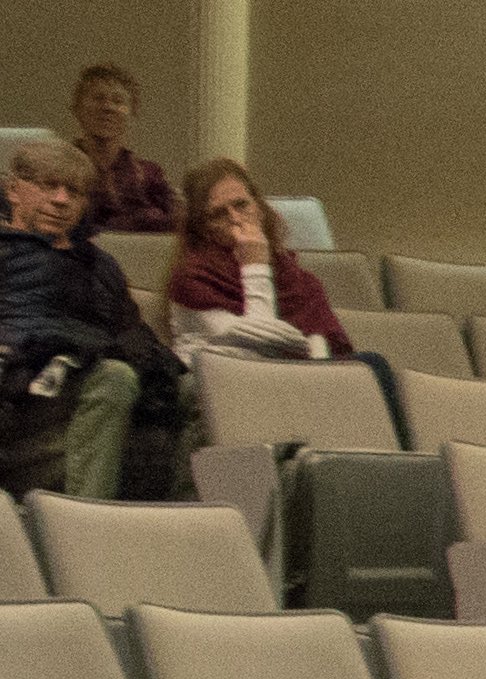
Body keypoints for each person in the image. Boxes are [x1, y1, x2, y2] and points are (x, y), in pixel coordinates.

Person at [0, 138, 185, 504]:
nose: (61, 200)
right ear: (13, 190)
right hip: (19, 398)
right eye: (48, 185)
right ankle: (84, 524)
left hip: (82, 385)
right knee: (114, 378)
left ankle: (187, 524)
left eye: (74, 192)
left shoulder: (102, 266)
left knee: (193, 390)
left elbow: (133, 336)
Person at [161, 161, 351, 367]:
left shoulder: (299, 280)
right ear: (202, 228)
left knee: (368, 363)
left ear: (259, 207)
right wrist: (255, 264)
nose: (235, 218)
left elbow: (321, 352)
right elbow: (259, 351)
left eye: (241, 205)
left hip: (296, 375)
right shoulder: (193, 279)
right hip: (228, 377)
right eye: (218, 214)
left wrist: (311, 357)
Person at [54, 68, 176, 243]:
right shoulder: (56, 169)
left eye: (118, 101)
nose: (108, 108)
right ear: (77, 109)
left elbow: (181, 223)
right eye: (98, 98)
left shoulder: (149, 175)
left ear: (132, 113)